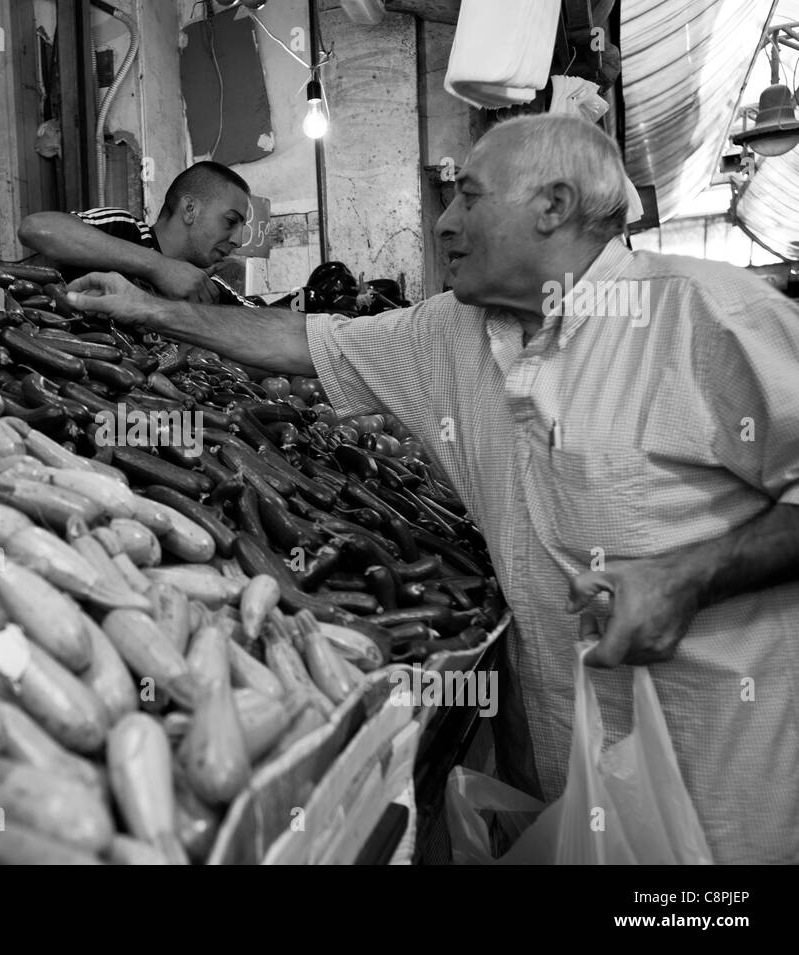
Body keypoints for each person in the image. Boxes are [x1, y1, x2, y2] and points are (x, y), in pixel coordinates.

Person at [65, 113, 799, 865]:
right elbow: (304, 342)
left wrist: (693, 574)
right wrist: (146, 307)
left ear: (552, 205)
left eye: (469, 198)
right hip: (561, 777)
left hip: (719, 787)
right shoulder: (451, 331)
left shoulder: (704, 315)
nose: (444, 222)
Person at [17, 161, 250, 303]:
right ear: (190, 209)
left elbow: (268, 321)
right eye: (230, 221)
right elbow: (36, 228)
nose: (238, 240)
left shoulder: (209, 287)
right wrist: (158, 266)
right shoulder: (125, 229)